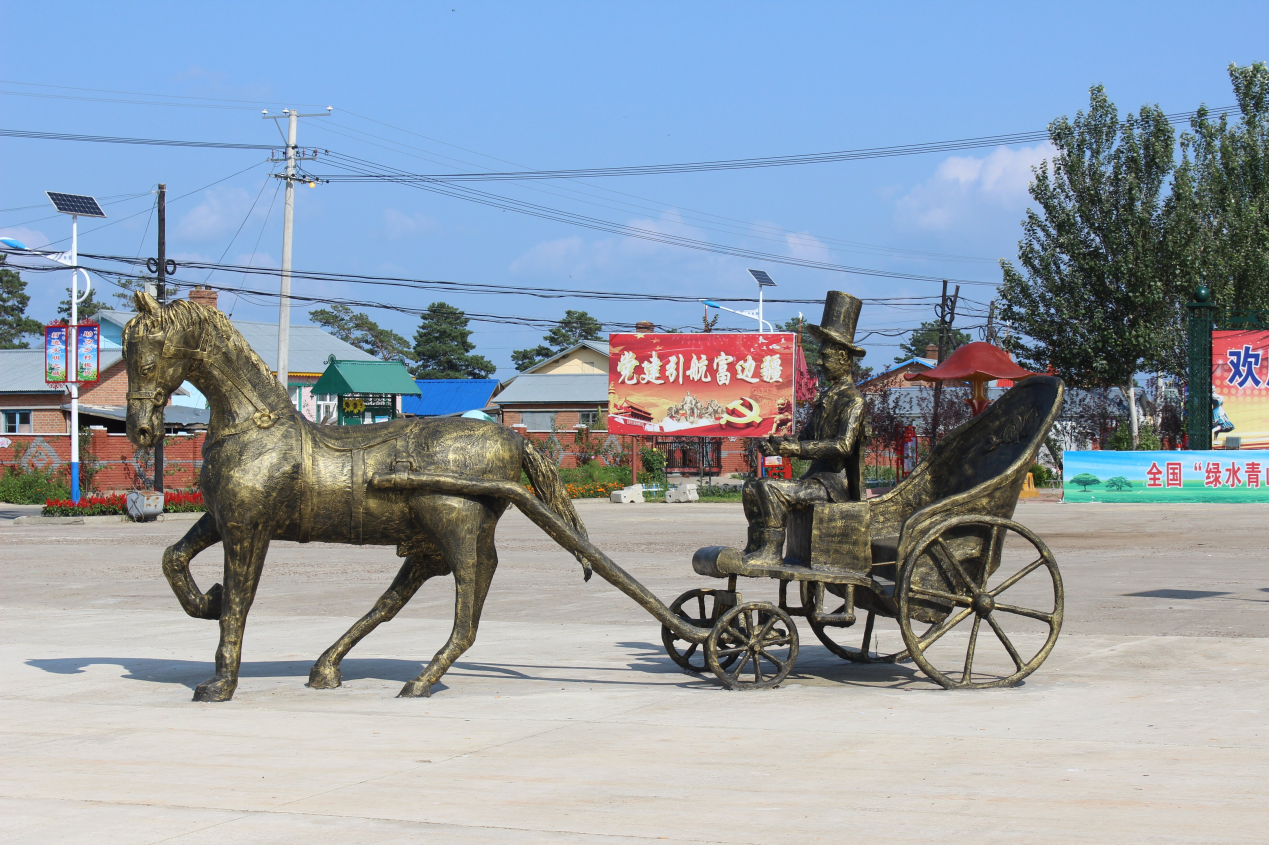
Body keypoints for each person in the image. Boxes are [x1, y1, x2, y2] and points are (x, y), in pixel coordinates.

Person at [742, 291, 868, 564]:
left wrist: (797, 450)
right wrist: (778, 443)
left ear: (844, 359)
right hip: (815, 479)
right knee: (752, 487)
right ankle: (754, 546)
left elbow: (843, 446)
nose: (819, 363)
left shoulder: (853, 400)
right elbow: (806, 435)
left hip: (833, 486)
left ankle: (772, 552)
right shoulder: (827, 397)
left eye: (825, 357)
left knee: (771, 488)